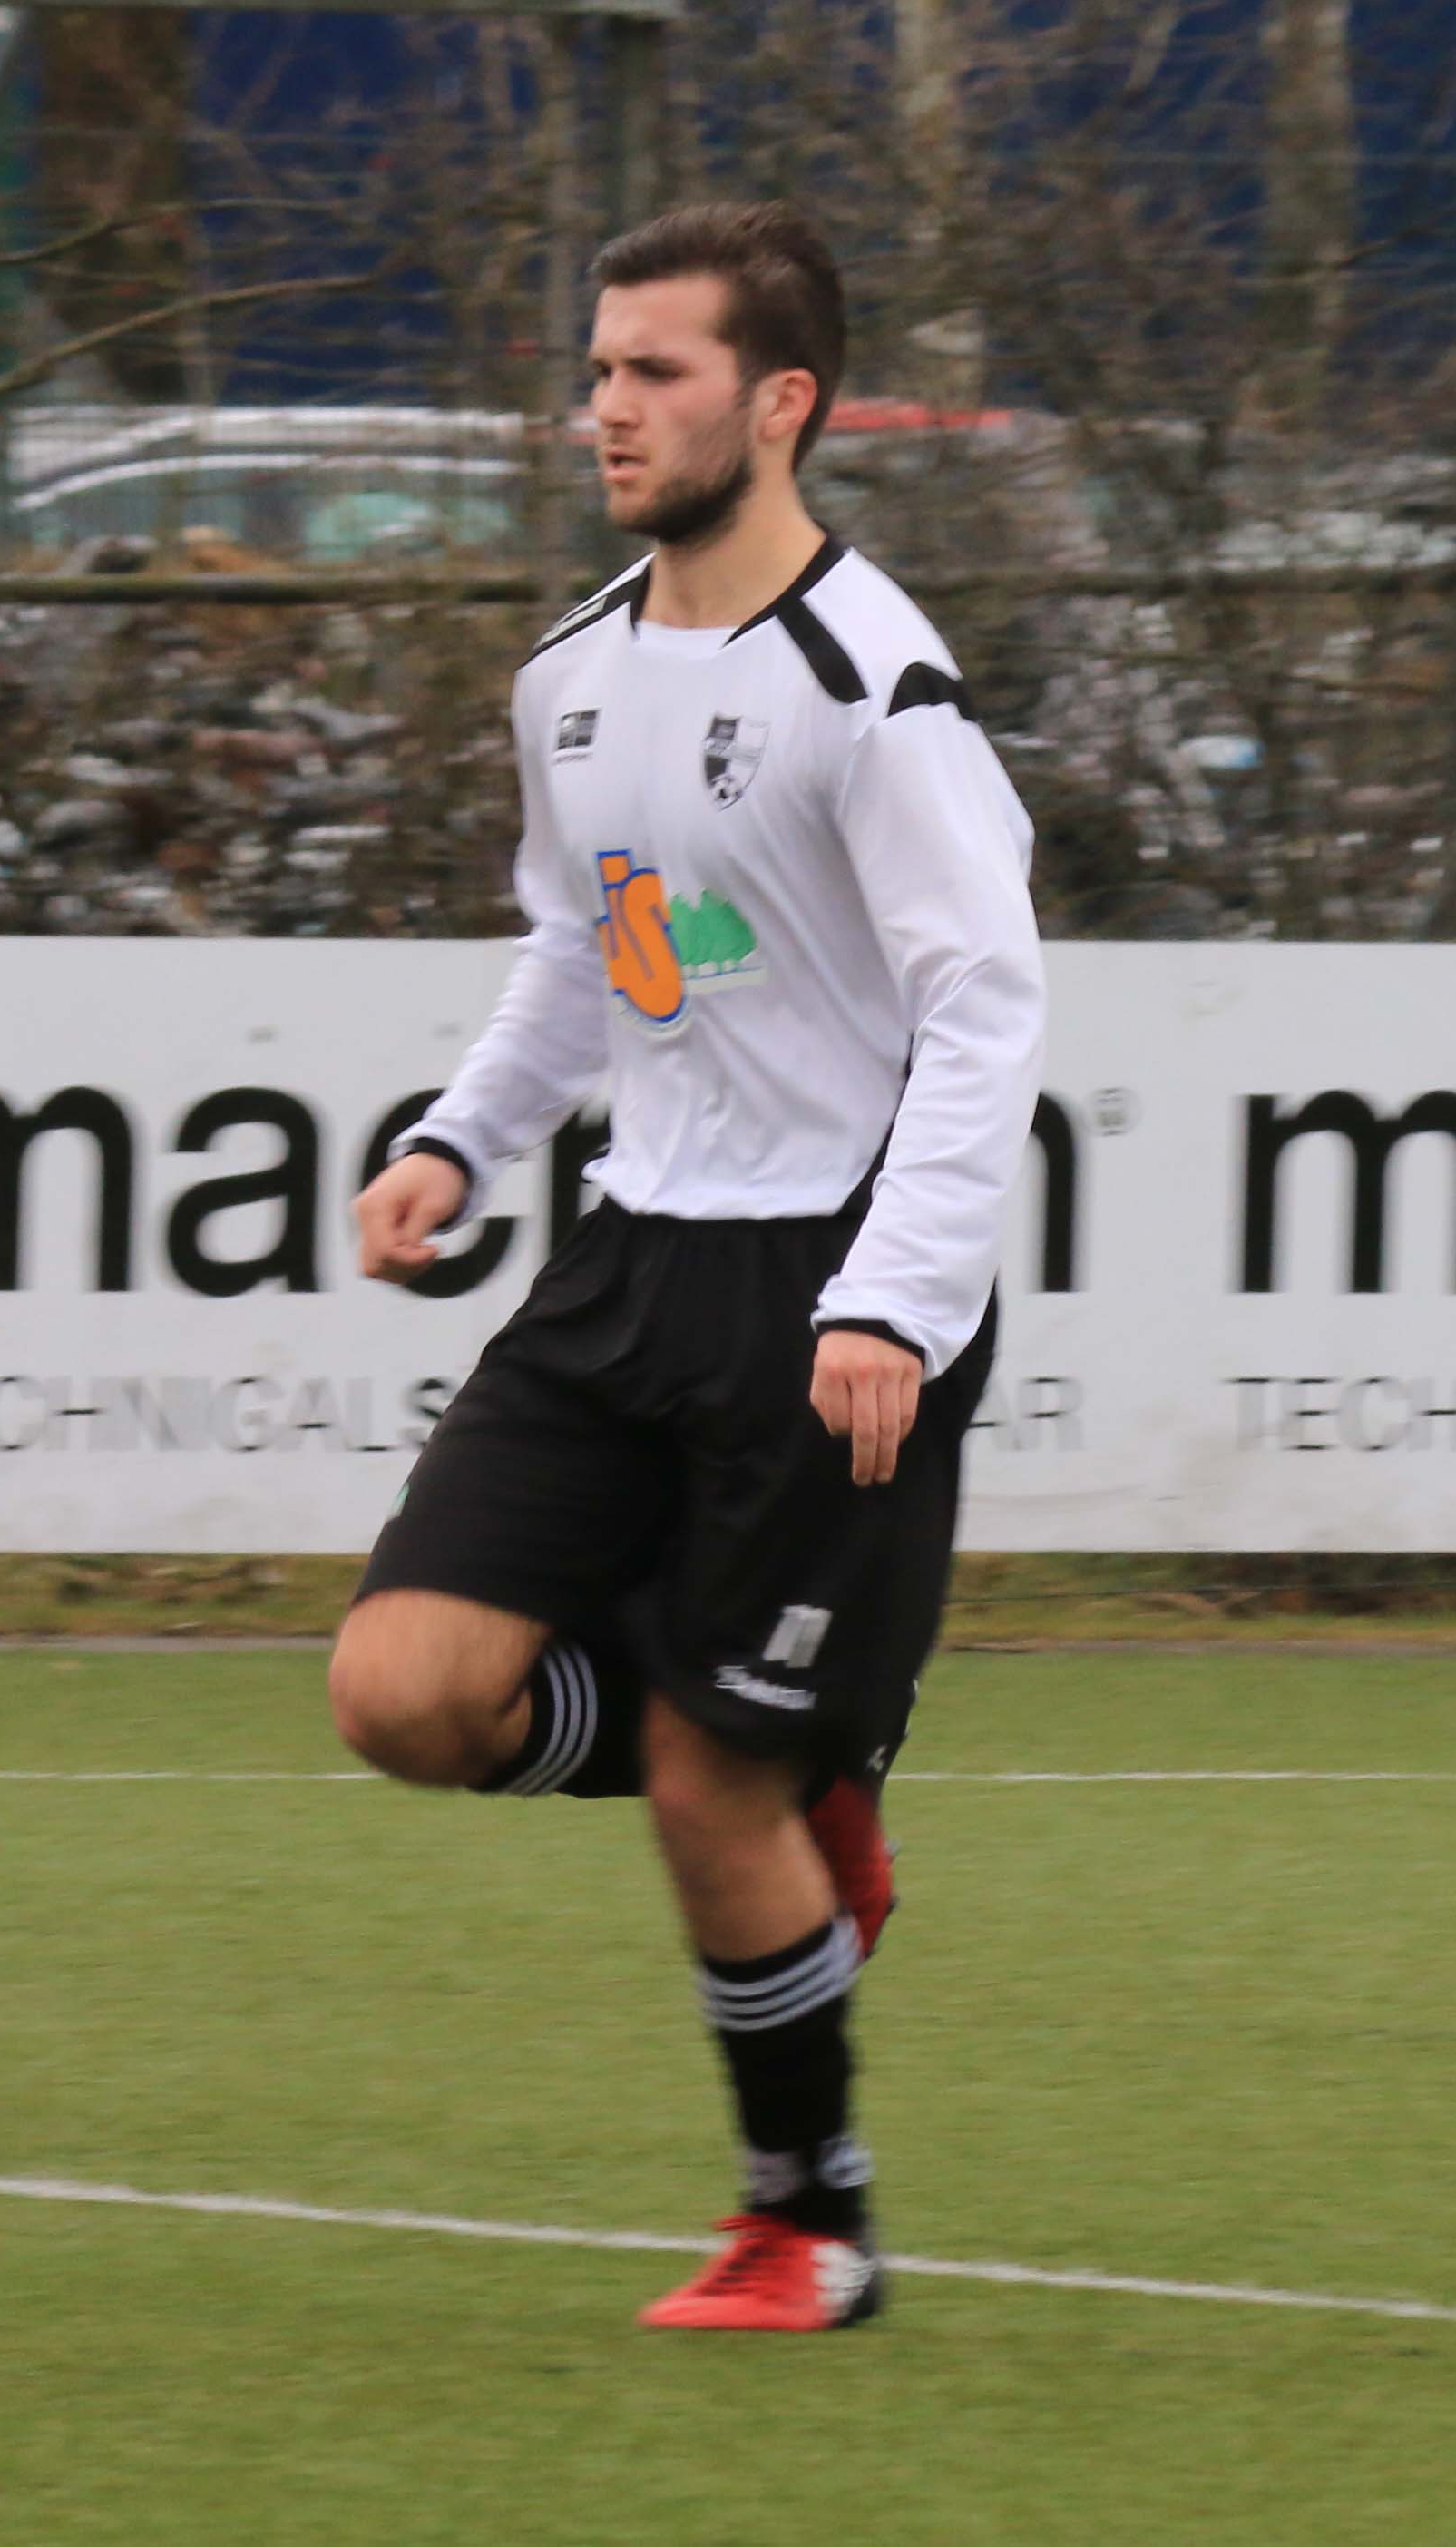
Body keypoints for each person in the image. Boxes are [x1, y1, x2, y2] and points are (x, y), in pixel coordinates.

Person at [328, 201, 1044, 2334]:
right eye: (598, 367)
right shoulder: (569, 673)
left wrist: (890, 1299)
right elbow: (584, 944)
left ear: (780, 399)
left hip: (828, 1290)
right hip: (631, 1258)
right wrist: (463, 1133)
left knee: (692, 1790)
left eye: (653, 371)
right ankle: (783, 1742)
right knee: (402, 1693)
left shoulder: (868, 682)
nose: (605, 408)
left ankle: (802, 2220)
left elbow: (984, 1006)